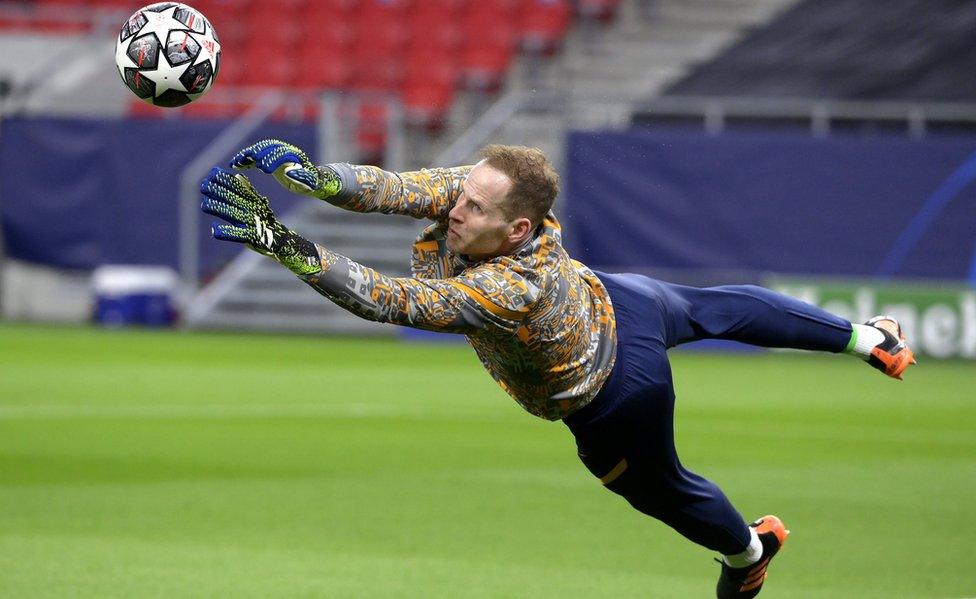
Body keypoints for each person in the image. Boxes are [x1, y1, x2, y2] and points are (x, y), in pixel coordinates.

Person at [200, 140, 915, 598]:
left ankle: (750, 551)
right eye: (463, 194)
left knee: (662, 490)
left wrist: (284, 243)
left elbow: (396, 300)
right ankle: (868, 338)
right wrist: (315, 177)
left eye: (473, 207)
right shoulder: (486, 195)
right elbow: (390, 187)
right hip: (616, 298)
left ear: (517, 230)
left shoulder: (511, 286)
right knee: (713, 308)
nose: (456, 209)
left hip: (611, 392)